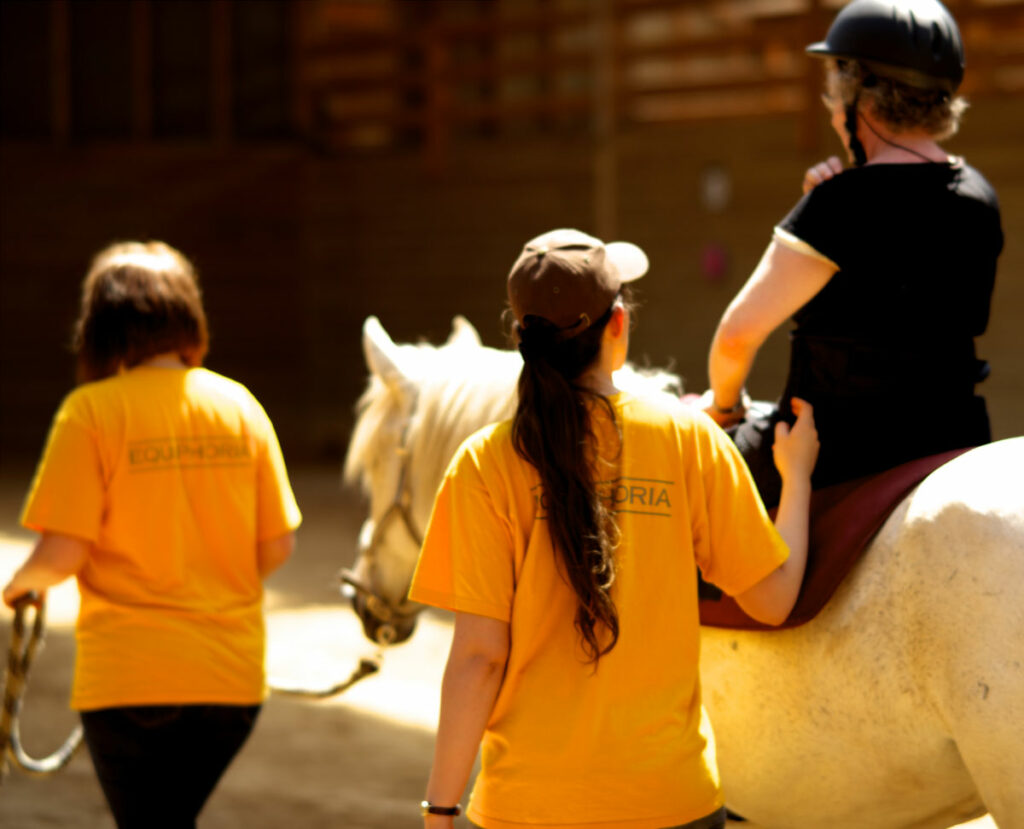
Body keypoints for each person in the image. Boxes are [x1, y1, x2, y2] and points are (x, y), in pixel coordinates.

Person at [408, 228, 819, 829]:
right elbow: (775, 598)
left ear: (523, 337)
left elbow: (477, 660)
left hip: (527, 810)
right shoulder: (688, 438)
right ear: (618, 326)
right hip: (671, 804)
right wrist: (798, 477)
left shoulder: (483, 463)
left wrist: (440, 809)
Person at [2, 241, 302, 829]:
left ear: (100, 326)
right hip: (230, 685)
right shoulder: (240, 405)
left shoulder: (90, 413)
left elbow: (63, 552)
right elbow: (277, 546)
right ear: (189, 318)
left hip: (129, 682)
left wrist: (19, 586)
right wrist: (206, 578)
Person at [704, 0, 1003, 506]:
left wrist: (725, 409)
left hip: (841, 453)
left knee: (691, 492)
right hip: (952, 439)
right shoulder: (978, 193)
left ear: (858, 91)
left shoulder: (838, 204)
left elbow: (736, 338)